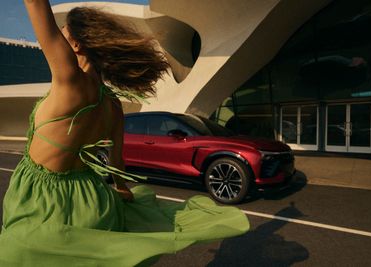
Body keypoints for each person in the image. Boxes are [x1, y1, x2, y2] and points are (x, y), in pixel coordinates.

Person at [0, 1, 249, 266]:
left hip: (42, 199)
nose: (55, 40)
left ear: (75, 45)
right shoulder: (112, 104)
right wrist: (121, 190)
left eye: (63, 34)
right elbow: (117, 161)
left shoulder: (69, 80)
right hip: (92, 200)